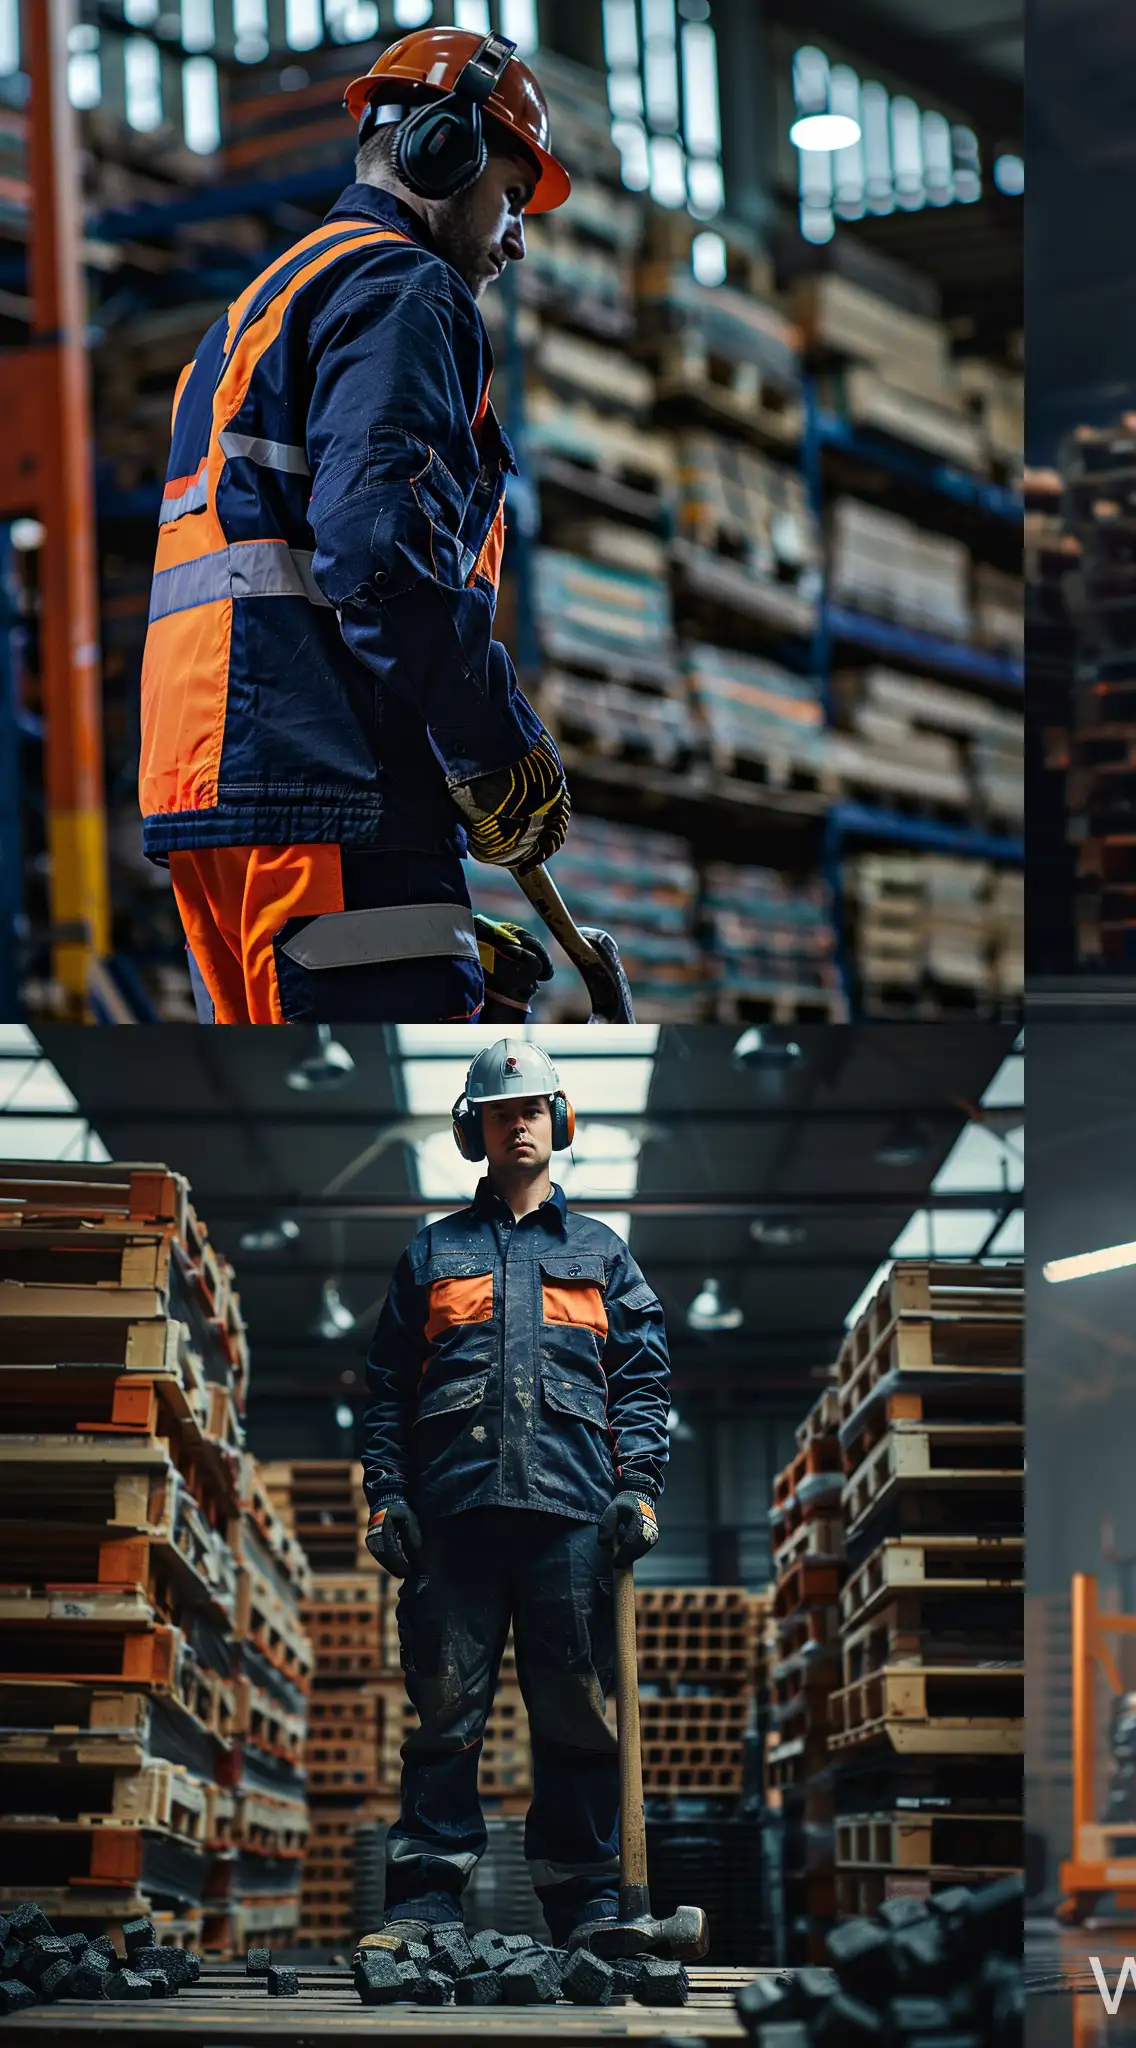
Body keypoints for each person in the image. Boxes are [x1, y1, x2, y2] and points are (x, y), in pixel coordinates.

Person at [139, 28, 575, 1023]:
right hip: (334, 783)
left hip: (216, 791)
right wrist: (492, 744)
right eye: (512, 199)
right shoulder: (401, 289)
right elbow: (380, 555)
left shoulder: (260, 305)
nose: (513, 242)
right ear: (444, 152)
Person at [356, 1039, 671, 1948]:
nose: (520, 1123)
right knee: (445, 1715)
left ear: (558, 1121)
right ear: (476, 1131)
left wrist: (638, 1488)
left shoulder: (602, 1254)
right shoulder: (433, 1254)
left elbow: (642, 1383)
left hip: (572, 1523)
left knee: (579, 1721)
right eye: (502, 1112)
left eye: (533, 1109)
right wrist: (388, 1497)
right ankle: (422, 1906)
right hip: (453, 1523)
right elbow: (387, 1391)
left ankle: (588, 1907)